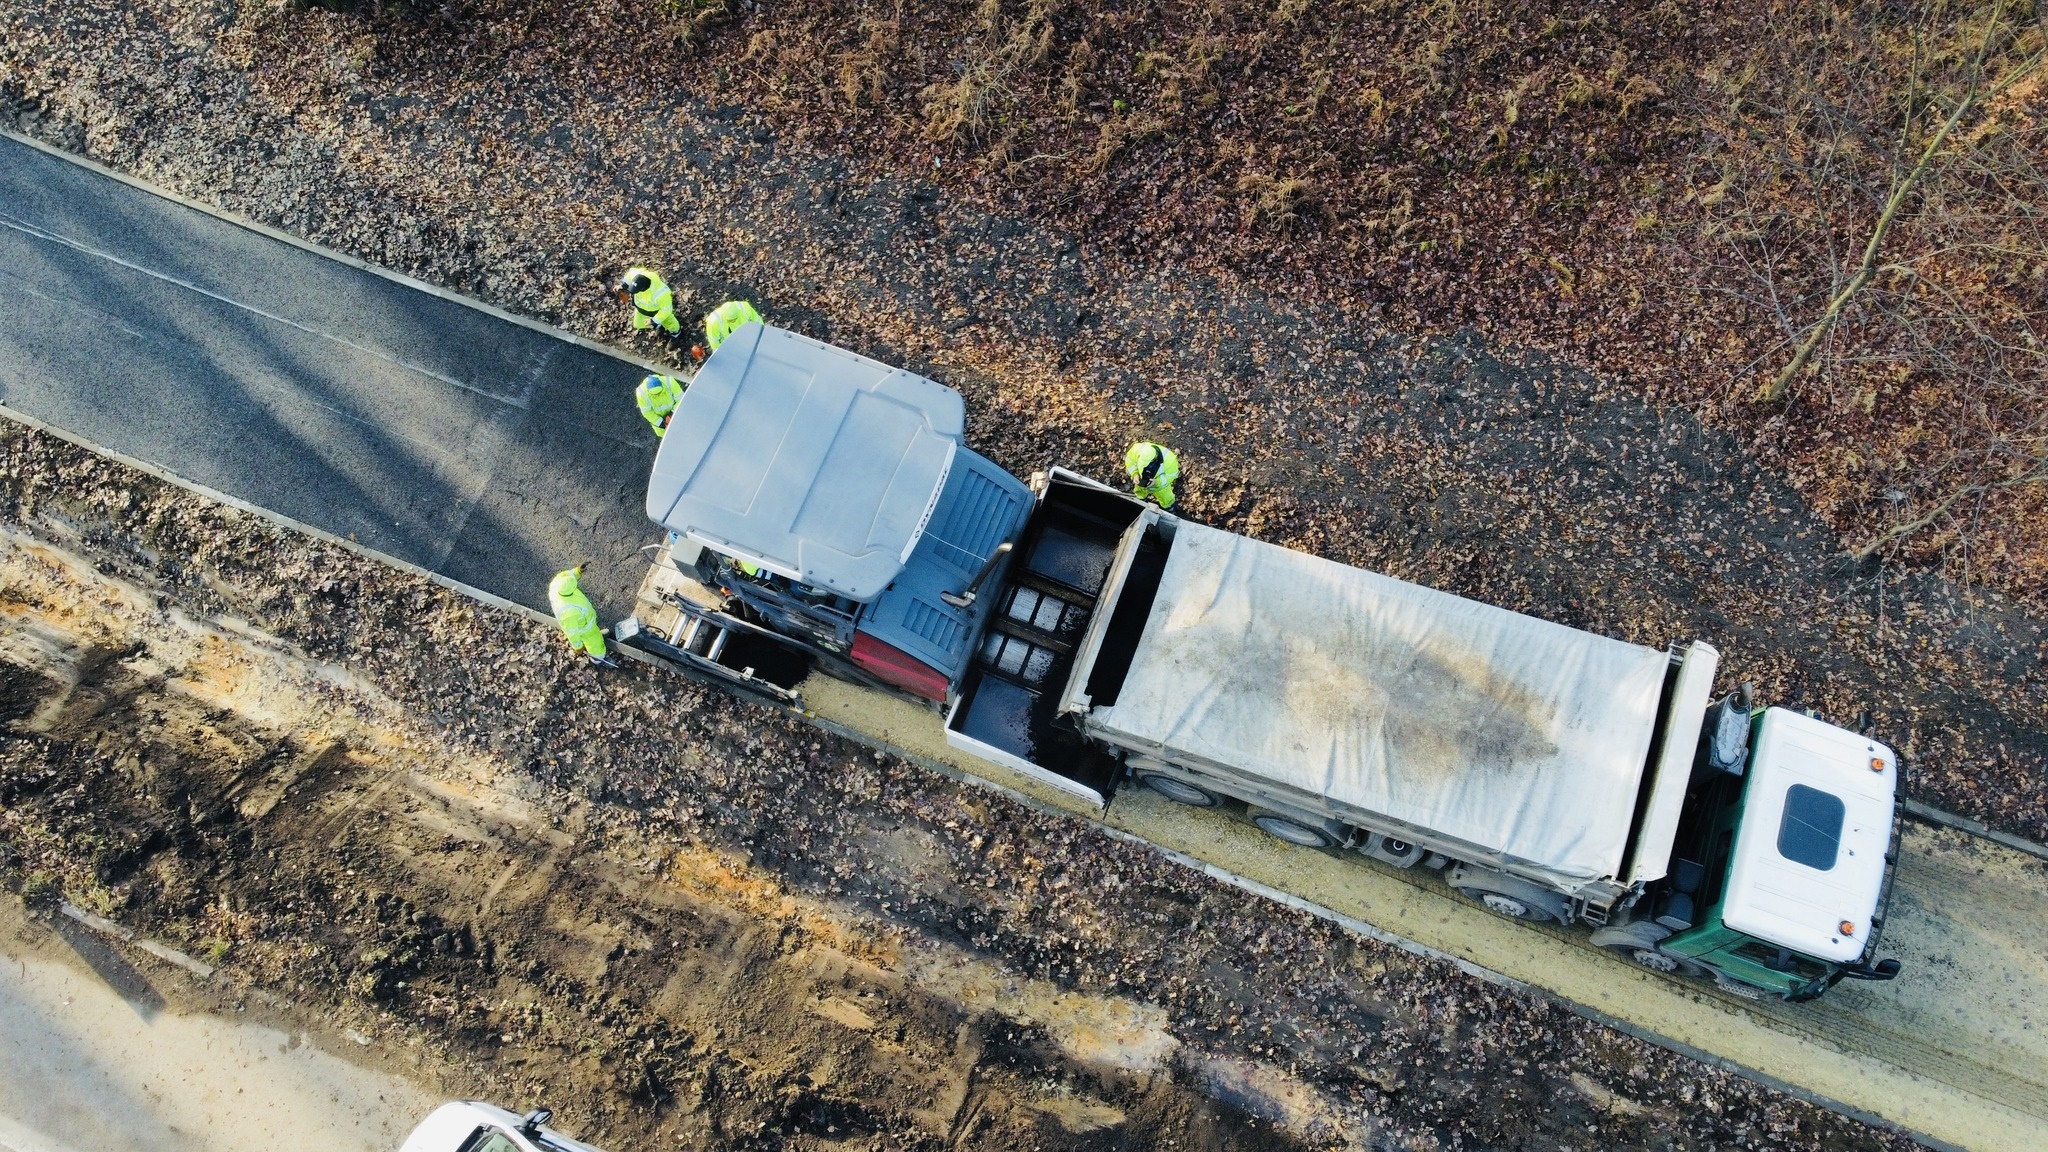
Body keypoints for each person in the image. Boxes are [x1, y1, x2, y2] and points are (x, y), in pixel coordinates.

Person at [547, 566, 613, 665]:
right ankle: (599, 659)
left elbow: (565, 575)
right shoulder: (568, 612)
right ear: (572, 589)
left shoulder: (557, 584)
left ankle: (598, 637)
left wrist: (577, 571)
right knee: (595, 644)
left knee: (595, 635)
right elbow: (572, 632)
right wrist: (578, 647)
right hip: (585, 628)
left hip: (585, 621)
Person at [613, 268, 680, 337]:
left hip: (658, 312)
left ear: (643, 289)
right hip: (642, 309)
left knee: (670, 324)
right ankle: (659, 326)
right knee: (638, 323)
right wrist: (623, 285)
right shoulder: (638, 275)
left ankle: (675, 335)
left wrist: (653, 320)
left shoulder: (661, 294)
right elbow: (630, 274)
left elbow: (666, 311)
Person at [1124, 441, 1181, 509]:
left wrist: (1157, 482)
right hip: (1142, 479)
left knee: (1166, 498)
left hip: (1160, 486)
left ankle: (1170, 508)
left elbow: (1171, 476)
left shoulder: (1169, 459)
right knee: (1140, 490)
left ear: (1155, 458)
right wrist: (1135, 474)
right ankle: (1139, 501)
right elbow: (1129, 461)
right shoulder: (1137, 449)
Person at [700, 299, 765, 354]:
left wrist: (762, 338)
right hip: (729, 347)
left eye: (735, 319)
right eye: (731, 320)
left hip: (748, 340)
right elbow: (714, 343)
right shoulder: (713, 322)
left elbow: (758, 322)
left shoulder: (745, 308)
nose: (733, 321)